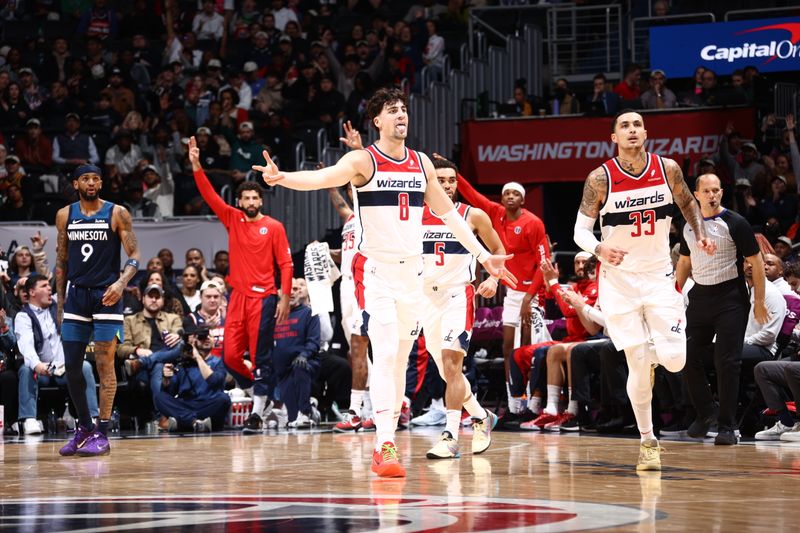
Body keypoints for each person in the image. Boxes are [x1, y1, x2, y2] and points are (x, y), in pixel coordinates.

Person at [252, 87, 514, 478]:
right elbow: (324, 176)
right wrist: (283, 177)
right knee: (387, 353)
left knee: (400, 360)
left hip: (414, 277)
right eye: (393, 110)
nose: (402, 115)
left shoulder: (421, 163)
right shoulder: (363, 160)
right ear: (378, 121)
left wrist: (482, 255)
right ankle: (384, 444)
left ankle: (392, 438)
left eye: (404, 109)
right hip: (377, 274)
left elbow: (450, 216)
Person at [573, 109, 715, 470]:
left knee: (675, 360)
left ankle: (653, 354)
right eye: (625, 126)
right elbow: (580, 233)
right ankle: (648, 441)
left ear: (646, 132)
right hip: (619, 282)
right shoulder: (600, 178)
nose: (632, 130)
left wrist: (699, 233)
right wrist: (599, 248)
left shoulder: (667, 169)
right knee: (636, 364)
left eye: (637, 124)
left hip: (657, 277)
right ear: (614, 138)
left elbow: (688, 204)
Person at [188, 138, 293, 434]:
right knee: (231, 356)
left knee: (261, 358)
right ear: (239, 202)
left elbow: (286, 265)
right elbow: (210, 196)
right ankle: (261, 398)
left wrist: (284, 298)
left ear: (260, 201)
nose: (249, 203)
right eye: (245, 199)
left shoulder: (274, 227)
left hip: (264, 299)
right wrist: (197, 165)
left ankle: (257, 414)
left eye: (254, 199)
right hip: (236, 298)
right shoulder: (232, 219)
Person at [420, 157, 507, 459]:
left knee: (453, 365)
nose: (446, 185)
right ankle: (481, 417)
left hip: (458, 295)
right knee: (447, 372)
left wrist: (494, 281)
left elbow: (498, 250)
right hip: (425, 299)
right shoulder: (415, 216)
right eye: (440, 180)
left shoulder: (472, 215)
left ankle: (450, 437)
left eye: (451, 181)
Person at [453, 165, 551, 426]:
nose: (509, 197)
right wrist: (455, 172)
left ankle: (534, 404)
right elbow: (473, 195)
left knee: (528, 349)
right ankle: (514, 403)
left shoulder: (533, 223)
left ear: (522, 199)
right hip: (511, 291)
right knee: (509, 347)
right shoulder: (495, 214)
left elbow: (545, 262)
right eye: (505, 193)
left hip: (533, 293)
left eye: (514, 194)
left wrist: (530, 298)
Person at [55, 164, 141, 456]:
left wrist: (121, 283)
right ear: (76, 183)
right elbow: (62, 260)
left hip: (107, 296)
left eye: (95, 179)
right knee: (73, 368)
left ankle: (102, 434)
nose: (90, 183)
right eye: (85, 179)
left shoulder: (117, 213)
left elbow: (135, 255)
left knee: (105, 366)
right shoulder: (65, 215)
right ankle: (83, 428)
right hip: (76, 297)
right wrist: (60, 301)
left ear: (101, 183)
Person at [676, 174, 766, 445]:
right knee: (684, 356)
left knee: (727, 363)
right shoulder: (688, 225)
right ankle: (706, 414)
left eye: (716, 190)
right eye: (707, 191)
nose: (712, 195)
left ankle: (727, 426)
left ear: (721, 193)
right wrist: (672, 294)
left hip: (730, 298)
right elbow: (684, 262)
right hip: (700, 297)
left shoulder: (735, 223)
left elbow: (757, 262)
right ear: (696, 194)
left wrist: (759, 301)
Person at [14, 275, 99, 436]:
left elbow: (67, 282)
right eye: (44, 286)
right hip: (41, 368)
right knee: (26, 369)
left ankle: (91, 416)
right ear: (32, 292)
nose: (49, 288)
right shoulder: (23, 316)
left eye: (49, 285)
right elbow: (26, 346)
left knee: (85, 366)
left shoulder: (59, 307)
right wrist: (38, 365)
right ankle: (29, 419)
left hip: (63, 367)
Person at [154, 325, 231, 432]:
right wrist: (166, 379)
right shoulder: (183, 364)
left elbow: (214, 381)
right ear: (194, 341)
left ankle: (183, 423)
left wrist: (198, 358)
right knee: (159, 397)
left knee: (224, 399)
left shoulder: (219, 362)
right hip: (187, 404)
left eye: (210, 336)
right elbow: (169, 392)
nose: (207, 338)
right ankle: (195, 423)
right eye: (202, 337)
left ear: (214, 341)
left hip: (208, 405)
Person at [117, 284, 184, 399]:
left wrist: (177, 335)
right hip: (144, 370)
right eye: (150, 296)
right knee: (158, 367)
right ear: (143, 299)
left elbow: (178, 347)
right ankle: (161, 415)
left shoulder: (173, 318)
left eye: (157, 297)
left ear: (162, 300)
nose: (154, 300)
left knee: (181, 344)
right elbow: (120, 349)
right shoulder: (129, 320)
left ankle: (144, 361)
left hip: (170, 364)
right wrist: (137, 350)